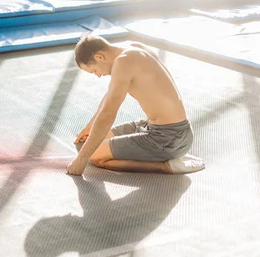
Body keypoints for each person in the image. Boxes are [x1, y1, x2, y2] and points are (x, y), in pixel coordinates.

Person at [66, 35, 205, 176]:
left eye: (94, 70)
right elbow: (110, 94)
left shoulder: (123, 62)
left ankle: (166, 166)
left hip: (168, 138)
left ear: (100, 57)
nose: (97, 75)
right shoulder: (133, 48)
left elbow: (108, 113)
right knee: (94, 139)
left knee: (94, 155)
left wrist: (80, 160)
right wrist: (90, 126)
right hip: (168, 130)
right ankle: (165, 155)